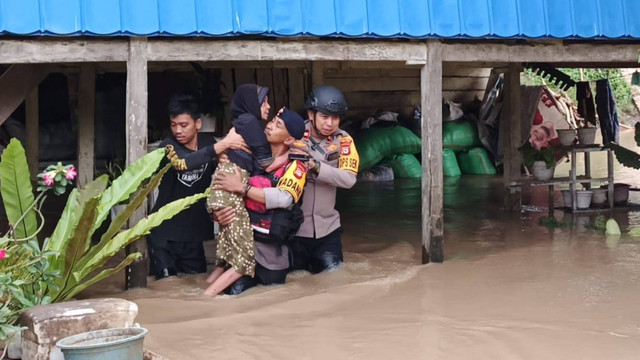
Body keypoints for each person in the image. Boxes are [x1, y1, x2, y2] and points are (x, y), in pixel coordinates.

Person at [206, 108, 307, 296]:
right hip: (242, 246)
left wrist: (243, 188)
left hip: (271, 258)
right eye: (272, 120)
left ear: (289, 140)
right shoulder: (248, 155)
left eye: (278, 125)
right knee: (234, 294)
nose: (269, 125)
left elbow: (284, 198)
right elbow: (220, 187)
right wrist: (216, 214)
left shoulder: (296, 165)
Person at [148, 94, 249, 279]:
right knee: (165, 287)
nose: (177, 130)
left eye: (183, 125)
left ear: (198, 124)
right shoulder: (168, 146)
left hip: (194, 236)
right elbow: (183, 163)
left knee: (195, 285)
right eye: (173, 124)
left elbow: (222, 179)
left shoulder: (207, 143)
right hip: (164, 235)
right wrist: (221, 146)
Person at [290, 85, 359, 274]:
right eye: (324, 116)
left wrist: (317, 167)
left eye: (335, 118)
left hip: (328, 230)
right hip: (294, 230)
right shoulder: (291, 134)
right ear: (311, 114)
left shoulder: (344, 141)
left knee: (334, 283)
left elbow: (349, 179)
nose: (330, 123)